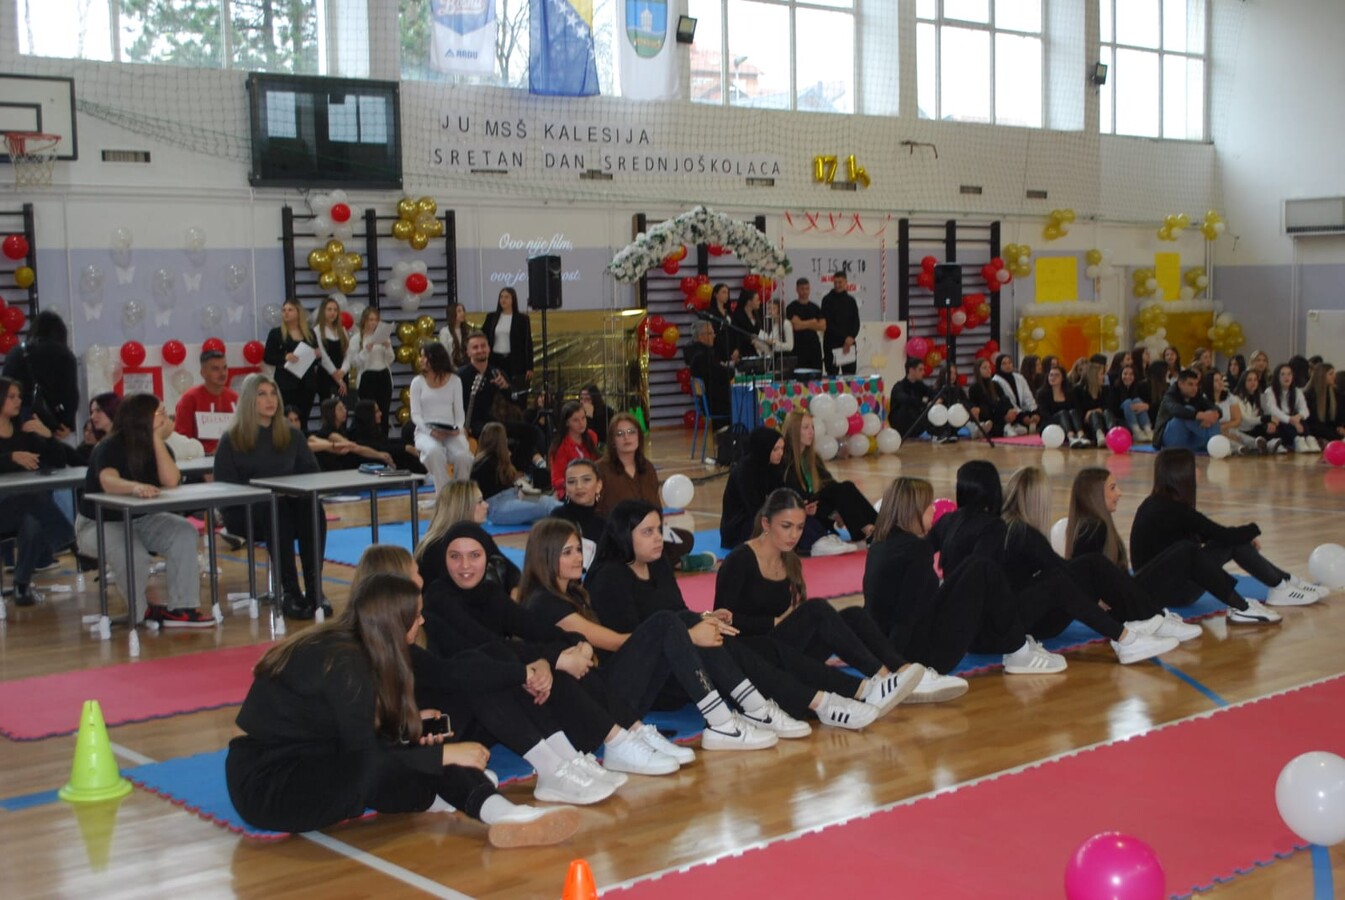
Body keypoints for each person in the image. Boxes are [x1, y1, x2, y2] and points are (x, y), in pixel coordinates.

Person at [225, 571, 582, 845]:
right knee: (391, 760)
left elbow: (345, 728)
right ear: (395, 624)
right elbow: (366, 751)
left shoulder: (355, 644)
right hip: (269, 784)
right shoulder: (344, 662)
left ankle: (498, 812)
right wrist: (446, 754)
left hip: (313, 755)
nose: (422, 622)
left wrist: (412, 731)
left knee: (417, 745)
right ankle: (480, 806)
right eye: (417, 616)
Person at [356, 544, 643, 803]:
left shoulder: (418, 627)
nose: (422, 579)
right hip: (418, 735)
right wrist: (525, 672)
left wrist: (541, 664)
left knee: (494, 661)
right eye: (416, 573)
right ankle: (557, 763)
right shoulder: (384, 644)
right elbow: (452, 674)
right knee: (480, 675)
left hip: (448, 719)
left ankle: (567, 757)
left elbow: (486, 649)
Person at [423, 522, 694, 784]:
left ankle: (630, 732)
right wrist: (552, 660)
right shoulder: (438, 599)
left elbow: (534, 628)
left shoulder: (490, 592)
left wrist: (578, 643)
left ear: (487, 558)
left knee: (555, 665)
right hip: (466, 709)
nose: (465, 565)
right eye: (455, 556)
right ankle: (613, 743)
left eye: (474, 555)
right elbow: (485, 648)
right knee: (544, 666)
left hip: (501, 694)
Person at [592, 500, 885, 732]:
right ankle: (816, 702)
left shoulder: (657, 564)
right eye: (647, 532)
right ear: (624, 536)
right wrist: (691, 632)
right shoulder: (610, 578)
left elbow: (679, 612)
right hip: (653, 680)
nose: (658, 539)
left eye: (659, 529)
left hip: (685, 659)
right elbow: (636, 645)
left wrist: (708, 617)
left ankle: (853, 691)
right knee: (731, 647)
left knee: (761, 648)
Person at [521, 518, 779, 751]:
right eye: (568, 552)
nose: (578, 557)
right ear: (546, 557)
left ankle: (752, 705)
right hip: (593, 701)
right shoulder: (544, 603)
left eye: (579, 549)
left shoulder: (573, 593)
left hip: (607, 689)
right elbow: (614, 642)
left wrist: (697, 622)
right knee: (666, 622)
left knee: (684, 618)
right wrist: (686, 636)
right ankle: (722, 721)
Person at [715, 489, 925, 713]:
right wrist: (772, 623)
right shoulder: (739, 560)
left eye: (800, 527)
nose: (794, 535)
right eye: (786, 526)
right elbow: (719, 624)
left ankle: (900, 670)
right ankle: (881, 680)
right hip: (753, 657)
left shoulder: (790, 561)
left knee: (853, 615)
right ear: (766, 523)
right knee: (816, 609)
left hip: (786, 653)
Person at [1131, 449, 1326, 616]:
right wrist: (1253, 530)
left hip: (1164, 584)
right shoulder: (1173, 509)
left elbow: (1206, 533)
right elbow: (1222, 535)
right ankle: (1280, 586)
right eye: (1194, 467)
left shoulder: (1158, 504)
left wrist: (1242, 537)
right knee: (1233, 543)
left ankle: (1285, 581)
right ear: (1181, 474)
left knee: (1233, 541)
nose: (1198, 471)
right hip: (1172, 593)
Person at [75, 392, 210, 627]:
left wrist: (156, 438)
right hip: (98, 524)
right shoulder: (109, 446)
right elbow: (108, 481)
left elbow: (171, 480)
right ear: (142, 417)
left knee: (184, 532)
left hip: (142, 519)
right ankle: (140, 612)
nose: (166, 417)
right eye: (159, 413)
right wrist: (135, 487)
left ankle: (182, 607)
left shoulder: (160, 448)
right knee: (133, 553)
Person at [864, 476, 1009, 692]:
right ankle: (1018, 647)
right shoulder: (916, 550)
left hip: (883, 647)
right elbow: (905, 614)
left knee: (971, 568)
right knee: (981, 568)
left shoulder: (878, 544)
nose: (934, 510)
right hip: (920, 656)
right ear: (913, 511)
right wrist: (899, 667)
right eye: (928, 506)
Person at [1064, 467, 1236, 635]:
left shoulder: (1094, 524)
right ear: (1094, 494)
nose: (1119, 493)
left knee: (1186, 551)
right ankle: (1238, 605)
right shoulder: (1093, 528)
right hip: (1120, 606)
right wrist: (1095, 600)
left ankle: (1157, 615)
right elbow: (1080, 571)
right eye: (1113, 488)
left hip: (1124, 596)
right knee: (1185, 551)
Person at [214, 373, 328, 620]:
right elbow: (224, 490)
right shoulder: (232, 439)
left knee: (312, 508)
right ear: (249, 400)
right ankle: (290, 591)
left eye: (273, 393)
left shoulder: (292, 435)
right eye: (262, 394)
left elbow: (311, 476)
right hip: (246, 511)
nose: (270, 400)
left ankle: (314, 588)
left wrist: (293, 492)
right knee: (276, 509)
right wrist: (266, 494)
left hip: (287, 506)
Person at [594, 411, 707, 571]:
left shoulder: (647, 467)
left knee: (686, 539)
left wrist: (657, 527)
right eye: (620, 434)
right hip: (620, 535)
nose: (627, 438)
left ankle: (645, 564)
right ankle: (671, 564)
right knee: (627, 549)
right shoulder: (601, 469)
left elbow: (656, 505)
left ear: (639, 436)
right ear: (613, 441)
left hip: (648, 531)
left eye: (631, 432)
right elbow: (597, 511)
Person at [0, 376, 75, 608]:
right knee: (34, 500)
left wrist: (47, 435)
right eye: (11, 397)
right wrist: (11, 457)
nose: (18, 401)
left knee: (33, 519)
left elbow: (59, 462)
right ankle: (71, 541)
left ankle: (21, 584)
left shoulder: (23, 430)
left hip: (24, 507)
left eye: (19, 396)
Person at [781, 410, 874, 555]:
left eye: (812, 427)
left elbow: (830, 485)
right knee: (842, 489)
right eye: (805, 428)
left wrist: (840, 509)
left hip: (818, 505)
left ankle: (875, 526)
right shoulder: (786, 460)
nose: (811, 432)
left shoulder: (812, 458)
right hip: (805, 508)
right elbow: (794, 494)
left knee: (846, 487)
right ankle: (867, 531)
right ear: (794, 431)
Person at [459, 331, 549, 476]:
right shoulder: (461, 375)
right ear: (468, 352)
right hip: (468, 423)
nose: (480, 350)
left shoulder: (495, 372)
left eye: (483, 346)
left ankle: (517, 469)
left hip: (489, 421)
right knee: (494, 433)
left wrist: (506, 387)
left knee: (531, 432)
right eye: (475, 347)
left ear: (489, 348)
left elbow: (517, 401)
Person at [415, 482, 521, 593]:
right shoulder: (435, 550)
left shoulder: (478, 537)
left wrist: (515, 591)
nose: (486, 505)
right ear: (463, 508)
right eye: (479, 502)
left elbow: (512, 572)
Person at [1, 310, 79, 440]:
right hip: (49, 421)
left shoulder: (16, 352)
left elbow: (4, 388)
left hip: (18, 420)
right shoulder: (65, 355)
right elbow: (70, 394)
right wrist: (67, 423)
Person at [411, 342, 474, 492]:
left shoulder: (455, 381)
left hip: (450, 432)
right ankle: (444, 494)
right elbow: (416, 415)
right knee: (434, 451)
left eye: (424, 357)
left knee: (464, 457)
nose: (421, 360)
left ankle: (461, 495)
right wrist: (430, 431)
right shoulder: (417, 382)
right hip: (426, 432)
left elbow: (459, 414)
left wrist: (457, 429)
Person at [472, 422, 560, 525]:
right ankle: (572, 515)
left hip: (512, 495)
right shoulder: (486, 463)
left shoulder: (492, 461)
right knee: (546, 505)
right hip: (498, 506)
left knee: (547, 500)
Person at [264, 298, 321, 426]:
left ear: (298, 312)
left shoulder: (309, 333)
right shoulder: (276, 333)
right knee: (286, 418)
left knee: (303, 419)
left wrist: (317, 355)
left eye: (290, 310)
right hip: (286, 383)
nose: (286, 313)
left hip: (307, 383)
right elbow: (268, 357)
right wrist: (285, 357)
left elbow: (315, 360)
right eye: (284, 310)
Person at [173, 349, 238, 454]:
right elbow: (182, 439)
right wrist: (207, 451)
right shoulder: (189, 399)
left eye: (225, 368)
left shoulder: (235, 398)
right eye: (215, 369)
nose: (222, 373)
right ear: (203, 373)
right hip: (200, 458)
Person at [312, 397, 393, 470]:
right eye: (340, 409)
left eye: (344, 407)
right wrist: (379, 455)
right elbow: (355, 448)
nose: (345, 411)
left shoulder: (341, 430)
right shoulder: (330, 433)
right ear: (331, 413)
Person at [1153, 368, 1221, 451]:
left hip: (1189, 440)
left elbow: (1215, 408)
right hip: (1170, 439)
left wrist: (1212, 416)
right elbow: (1176, 410)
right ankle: (1216, 442)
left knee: (1212, 413)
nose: (1194, 388)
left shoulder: (1197, 395)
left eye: (1196, 384)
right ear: (1180, 384)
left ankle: (1215, 442)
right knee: (1188, 409)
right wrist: (1201, 415)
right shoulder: (1169, 396)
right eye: (1190, 384)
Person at [349, 306, 394, 429]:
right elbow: (354, 363)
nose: (373, 323)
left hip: (383, 376)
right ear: (364, 320)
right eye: (371, 319)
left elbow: (390, 359)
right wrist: (366, 351)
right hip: (367, 378)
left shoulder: (384, 336)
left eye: (376, 320)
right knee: (369, 414)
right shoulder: (357, 338)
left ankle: (384, 438)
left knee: (384, 413)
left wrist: (388, 347)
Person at [889, 358, 954, 443]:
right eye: (920, 370)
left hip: (916, 423)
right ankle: (937, 434)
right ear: (911, 370)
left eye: (923, 370)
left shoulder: (919, 385)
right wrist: (926, 404)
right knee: (909, 406)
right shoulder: (898, 387)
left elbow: (933, 392)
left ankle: (942, 433)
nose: (923, 372)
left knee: (933, 406)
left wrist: (938, 399)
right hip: (901, 426)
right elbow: (907, 400)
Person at [482, 287, 534, 386]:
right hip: (495, 360)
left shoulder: (522, 319)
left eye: (506, 297)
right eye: (501, 297)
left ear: (513, 300)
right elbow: (483, 336)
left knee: (513, 389)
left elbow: (528, 344)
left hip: (514, 361)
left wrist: (529, 367)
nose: (503, 300)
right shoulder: (491, 317)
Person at [548, 401, 599, 499]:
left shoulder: (591, 436)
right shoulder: (560, 447)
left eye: (583, 418)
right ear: (567, 423)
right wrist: (577, 481)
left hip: (592, 486)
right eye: (575, 420)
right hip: (570, 491)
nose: (581, 423)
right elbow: (556, 481)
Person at [683, 321, 733, 420]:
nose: (714, 336)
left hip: (708, 400)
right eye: (710, 333)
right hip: (716, 402)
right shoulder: (703, 355)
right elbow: (724, 374)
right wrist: (731, 369)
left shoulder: (695, 352)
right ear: (701, 337)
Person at [1263, 362, 1316, 452]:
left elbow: (1305, 410)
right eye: (1283, 374)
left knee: (1302, 420)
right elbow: (1273, 410)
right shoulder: (1270, 391)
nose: (1286, 377)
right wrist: (1290, 420)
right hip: (1278, 420)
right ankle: (1297, 441)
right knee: (1283, 421)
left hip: (1292, 418)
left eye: (1289, 374)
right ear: (1277, 377)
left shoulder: (1297, 391)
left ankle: (1308, 439)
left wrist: (1298, 417)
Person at [1036, 364, 1087, 448]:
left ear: (1062, 378)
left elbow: (1077, 409)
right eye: (1051, 375)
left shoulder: (1070, 392)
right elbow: (1044, 414)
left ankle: (1081, 435)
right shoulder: (1042, 394)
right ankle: (1071, 437)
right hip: (1050, 426)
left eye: (1056, 375)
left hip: (1069, 424)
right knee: (1063, 413)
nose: (1053, 377)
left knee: (1073, 411)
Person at [820, 271, 859, 375]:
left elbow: (856, 322)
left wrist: (851, 337)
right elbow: (828, 324)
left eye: (840, 282)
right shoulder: (827, 300)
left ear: (846, 282)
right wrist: (845, 338)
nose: (837, 285)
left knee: (850, 377)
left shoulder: (851, 301)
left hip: (849, 344)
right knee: (832, 376)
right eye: (835, 282)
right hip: (832, 344)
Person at [313, 296, 350, 402]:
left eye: (335, 310)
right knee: (329, 408)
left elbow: (348, 354)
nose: (332, 313)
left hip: (342, 375)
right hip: (326, 376)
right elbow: (323, 357)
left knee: (343, 407)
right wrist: (337, 378)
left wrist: (343, 371)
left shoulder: (342, 330)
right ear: (323, 311)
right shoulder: (317, 331)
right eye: (329, 309)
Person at [992, 354, 1040, 435]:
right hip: (1010, 411)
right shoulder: (996, 381)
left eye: (1009, 363)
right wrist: (1021, 416)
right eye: (1004, 364)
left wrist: (1034, 412)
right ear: (999, 366)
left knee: (1037, 414)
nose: (1008, 366)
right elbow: (1008, 402)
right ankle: (1010, 427)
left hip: (1023, 410)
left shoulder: (1019, 377)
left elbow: (1028, 396)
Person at [786, 277, 825, 373]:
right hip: (798, 347)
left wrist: (802, 323)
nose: (805, 292)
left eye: (807, 289)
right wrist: (812, 322)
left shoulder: (815, 307)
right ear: (797, 290)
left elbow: (822, 326)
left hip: (814, 348)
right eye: (802, 289)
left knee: (816, 375)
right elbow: (796, 326)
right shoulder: (791, 307)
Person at [1106, 364, 1154, 442]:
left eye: (1131, 374)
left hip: (1137, 418)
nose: (1128, 377)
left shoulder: (1138, 388)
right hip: (1122, 419)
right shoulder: (1115, 389)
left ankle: (1148, 429)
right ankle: (1136, 431)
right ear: (1121, 375)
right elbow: (1112, 409)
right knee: (1128, 402)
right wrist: (1128, 409)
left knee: (1137, 400)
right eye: (1125, 374)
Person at [1073, 356, 1112, 446]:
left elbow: (1109, 406)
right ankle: (1099, 435)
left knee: (1106, 413)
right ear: (1093, 376)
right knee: (1094, 415)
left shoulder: (1106, 390)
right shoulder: (1078, 390)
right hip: (1088, 423)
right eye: (1101, 374)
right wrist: (1092, 413)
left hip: (1104, 419)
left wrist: (1094, 410)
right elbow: (1078, 410)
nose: (1103, 377)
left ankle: (1112, 432)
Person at [968, 358, 1010, 436]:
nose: (988, 370)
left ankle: (1006, 426)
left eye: (989, 367)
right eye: (985, 368)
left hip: (995, 413)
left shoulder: (995, 384)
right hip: (984, 414)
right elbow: (973, 405)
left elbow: (1003, 398)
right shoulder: (974, 387)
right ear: (978, 371)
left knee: (1005, 400)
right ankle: (986, 428)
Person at [1306, 362, 1345, 444]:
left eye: (1334, 373)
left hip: (1333, 429)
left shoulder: (1336, 393)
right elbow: (1312, 421)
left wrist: (1342, 427)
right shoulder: (1309, 395)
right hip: (1317, 430)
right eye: (1330, 374)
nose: (1334, 376)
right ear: (1322, 376)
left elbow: (1341, 415)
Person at [730, 289, 762, 359]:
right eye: (757, 300)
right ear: (749, 302)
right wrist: (750, 340)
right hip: (743, 351)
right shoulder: (737, 316)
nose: (759, 302)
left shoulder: (756, 315)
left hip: (756, 350)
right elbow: (736, 335)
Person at [439, 301, 471, 369]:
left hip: (466, 364)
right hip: (451, 366)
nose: (462, 313)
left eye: (463, 310)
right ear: (452, 314)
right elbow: (444, 352)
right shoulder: (445, 331)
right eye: (459, 311)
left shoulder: (467, 330)